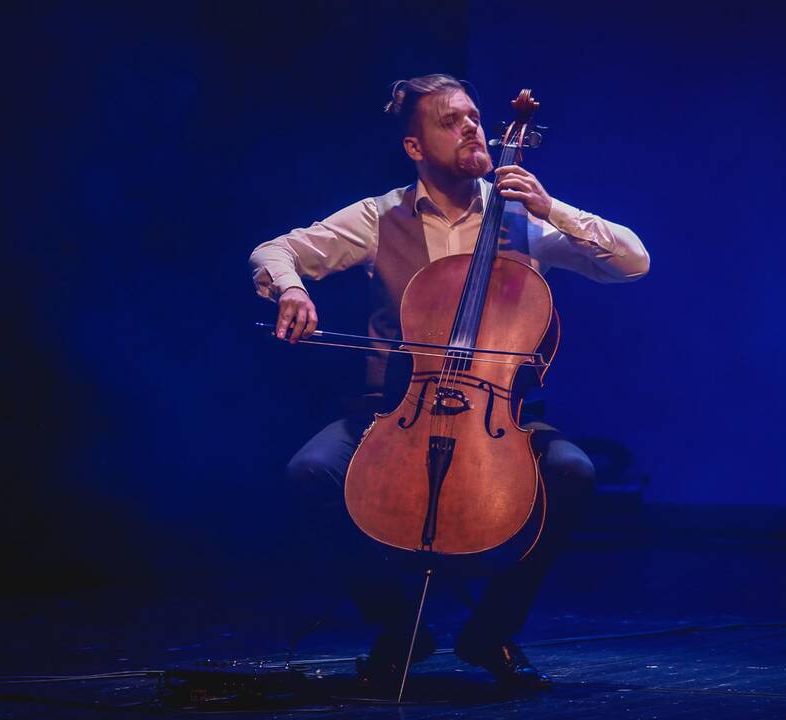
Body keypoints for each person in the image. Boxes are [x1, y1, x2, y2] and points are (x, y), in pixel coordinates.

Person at [249, 74, 649, 692]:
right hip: (395, 409)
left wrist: (555, 209)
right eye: (450, 121)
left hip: (500, 413)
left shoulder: (524, 219)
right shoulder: (380, 217)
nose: (471, 128)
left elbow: (631, 261)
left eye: (473, 116)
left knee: (573, 472)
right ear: (415, 147)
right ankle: (397, 626)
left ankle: (492, 631)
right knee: (310, 471)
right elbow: (275, 251)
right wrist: (294, 288)